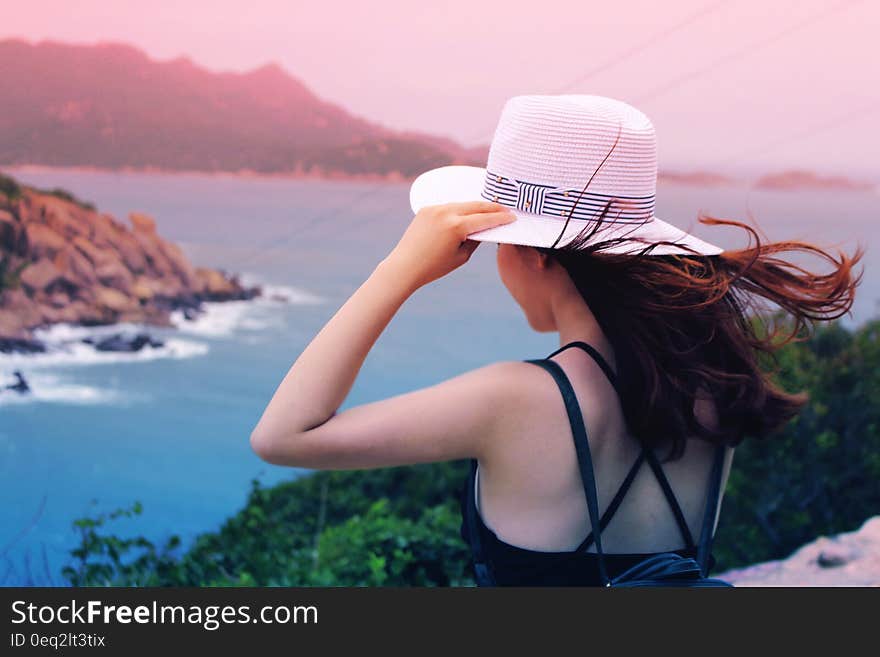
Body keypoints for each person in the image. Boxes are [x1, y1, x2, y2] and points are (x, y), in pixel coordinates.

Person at [249, 95, 863, 586]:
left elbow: (282, 437)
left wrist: (400, 270)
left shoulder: (515, 399)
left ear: (533, 256)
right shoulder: (712, 382)